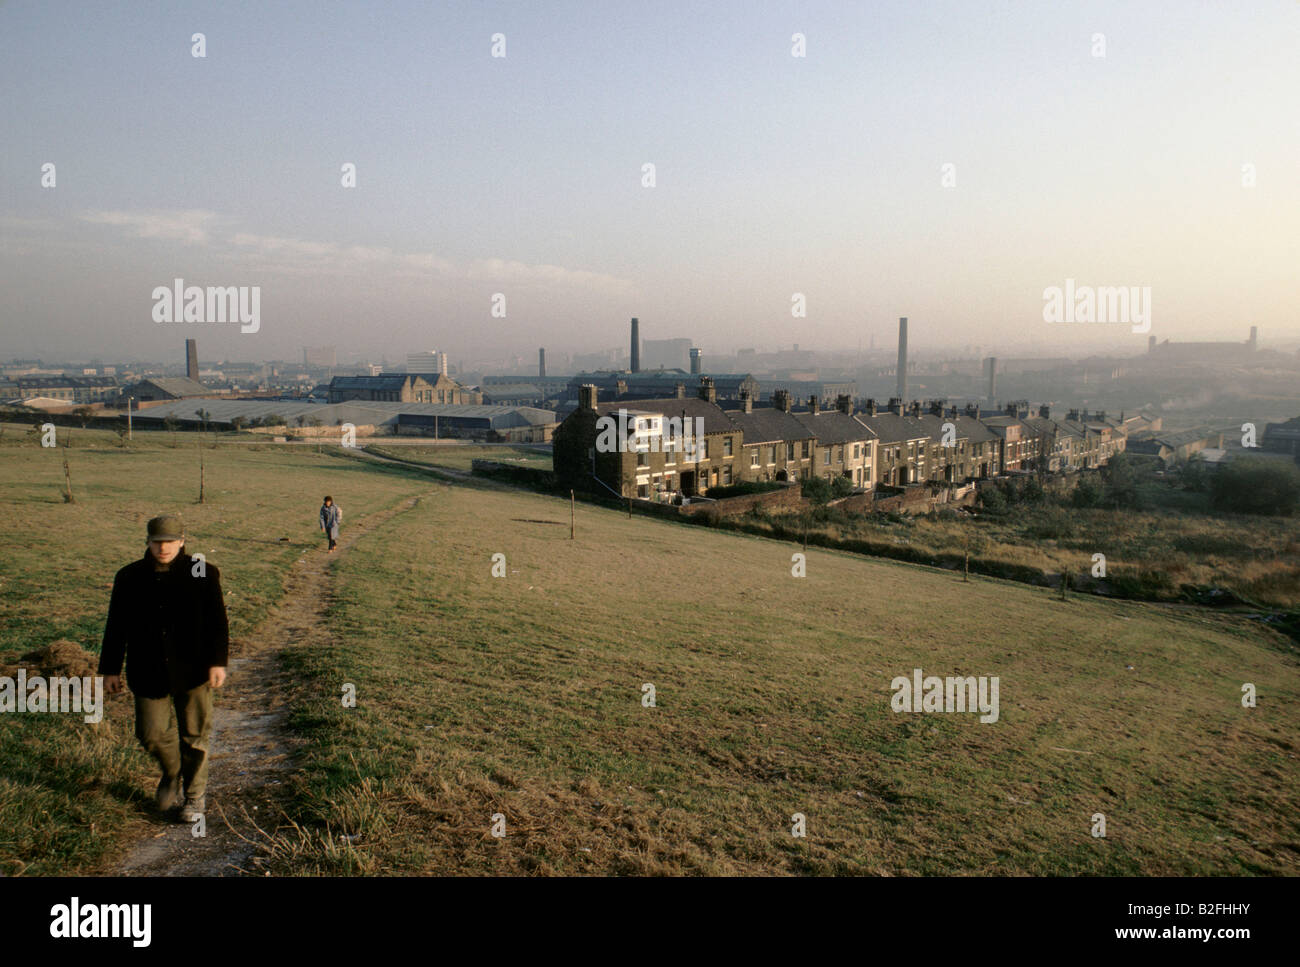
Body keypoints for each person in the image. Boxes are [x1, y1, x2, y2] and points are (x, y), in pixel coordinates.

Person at [99, 514, 229, 823]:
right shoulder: (129, 576)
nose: (163, 548)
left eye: (170, 541)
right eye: (157, 542)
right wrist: (110, 669)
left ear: (182, 541)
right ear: (147, 542)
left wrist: (218, 662)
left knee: (195, 735)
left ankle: (194, 798)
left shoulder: (202, 572)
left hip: (194, 668)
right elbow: (115, 626)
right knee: (150, 733)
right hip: (148, 669)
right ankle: (172, 772)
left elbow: (217, 623)